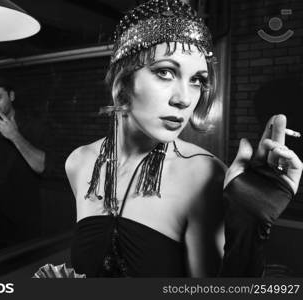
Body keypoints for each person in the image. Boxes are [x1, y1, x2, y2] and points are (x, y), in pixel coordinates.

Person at [65, 0, 302, 277]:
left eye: (197, 80)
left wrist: (247, 234)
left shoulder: (202, 174)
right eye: (165, 72)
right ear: (122, 84)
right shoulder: (79, 163)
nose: (185, 99)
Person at [0, 75, 52, 252]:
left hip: (25, 223)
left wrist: (14, 136)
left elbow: (42, 166)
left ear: (11, 96)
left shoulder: (34, 126)